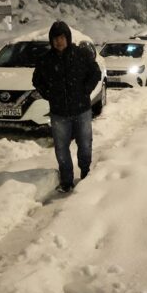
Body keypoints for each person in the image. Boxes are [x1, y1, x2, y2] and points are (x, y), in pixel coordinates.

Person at [32, 21, 102, 193]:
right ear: (51, 40)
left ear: (68, 38)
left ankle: (85, 174)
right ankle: (66, 181)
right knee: (61, 149)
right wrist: (49, 94)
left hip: (82, 111)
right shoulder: (46, 60)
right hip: (59, 113)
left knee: (85, 145)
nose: (59, 42)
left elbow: (96, 73)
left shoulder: (81, 54)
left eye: (62, 37)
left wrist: (86, 90)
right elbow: (37, 80)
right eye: (55, 38)